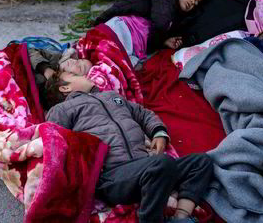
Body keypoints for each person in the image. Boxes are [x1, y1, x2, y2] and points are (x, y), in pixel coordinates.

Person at [44, 71, 213, 223]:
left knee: (202, 161)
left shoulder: (111, 96)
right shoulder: (62, 110)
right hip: (112, 175)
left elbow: (143, 114)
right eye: (75, 75)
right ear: (64, 88)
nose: (85, 75)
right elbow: (55, 142)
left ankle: (181, 217)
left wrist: (159, 133)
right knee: (162, 163)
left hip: (144, 166)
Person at [93, 0, 206, 54]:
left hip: (130, 39)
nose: (193, 2)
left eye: (196, 2)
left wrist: (165, 42)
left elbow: (153, 30)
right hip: (121, 28)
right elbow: (160, 24)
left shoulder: (176, 15)